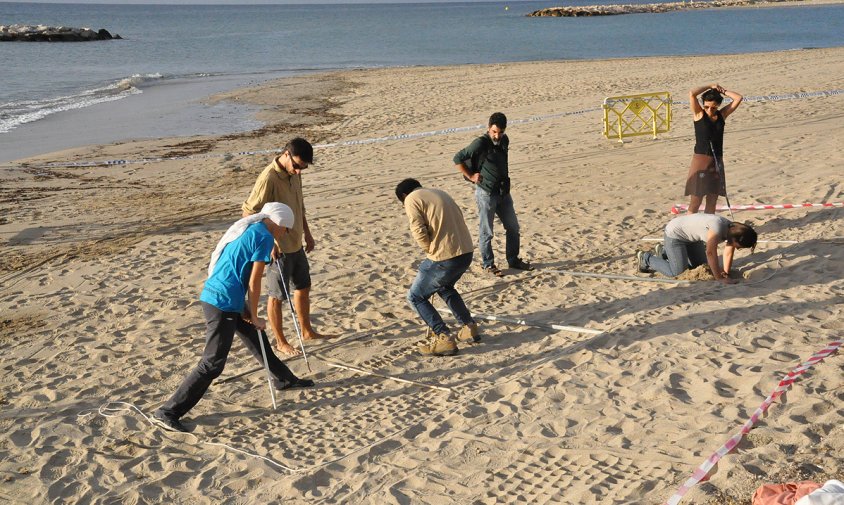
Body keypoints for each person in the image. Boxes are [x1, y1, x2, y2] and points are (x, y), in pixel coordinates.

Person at [153, 203, 314, 433]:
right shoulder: (264, 236)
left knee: (255, 336)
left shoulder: (254, 229)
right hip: (222, 302)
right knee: (213, 363)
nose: (285, 233)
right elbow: (255, 281)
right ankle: (168, 411)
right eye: (285, 229)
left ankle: (284, 379)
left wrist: (248, 312)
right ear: (278, 223)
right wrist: (256, 314)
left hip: (228, 297)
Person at [241, 138, 332, 357]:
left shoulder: (294, 175)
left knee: (303, 287)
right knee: (277, 296)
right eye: (298, 166)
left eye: (304, 168)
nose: (300, 171)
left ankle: (307, 331)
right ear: (286, 155)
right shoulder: (269, 178)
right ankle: (281, 342)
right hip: (277, 248)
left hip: (296, 243)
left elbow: (300, 207)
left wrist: (307, 234)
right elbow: (248, 212)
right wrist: (269, 241)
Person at [395, 178, 480, 356]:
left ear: (404, 195)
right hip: (465, 251)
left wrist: (429, 249)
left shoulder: (411, 198)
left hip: (445, 255)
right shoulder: (440, 192)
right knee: (445, 287)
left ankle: (443, 336)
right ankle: (468, 326)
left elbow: (418, 229)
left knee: (416, 296)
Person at [454, 112, 533, 277]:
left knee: (513, 228)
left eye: (501, 132)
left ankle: (513, 260)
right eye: (494, 132)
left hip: (504, 192)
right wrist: (471, 176)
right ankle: (488, 264)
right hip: (486, 193)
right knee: (487, 231)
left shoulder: (505, 140)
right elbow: (458, 158)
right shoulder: (480, 143)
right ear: (488, 128)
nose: (497, 135)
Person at [637, 213, 757, 284]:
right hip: (675, 235)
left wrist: (725, 273)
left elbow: (728, 253)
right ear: (736, 239)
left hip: (692, 240)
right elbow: (710, 252)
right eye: (740, 247)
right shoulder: (718, 228)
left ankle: (664, 252)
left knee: (701, 266)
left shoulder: (733, 230)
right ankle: (646, 258)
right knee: (677, 272)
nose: (739, 249)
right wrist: (719, 278)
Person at [685, 83, 743, 214]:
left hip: (717, 160)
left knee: (712, 199)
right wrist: (710, 85)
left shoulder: (722, 115)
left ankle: (707, 227)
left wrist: (723, 90)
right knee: (696, 200)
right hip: (700, 160)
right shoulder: (699, 114)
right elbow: (692, 93)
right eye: (706, 106)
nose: (709, 110)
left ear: (718, 106)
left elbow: (738, 98)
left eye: (713, 107)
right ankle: (688, 229)